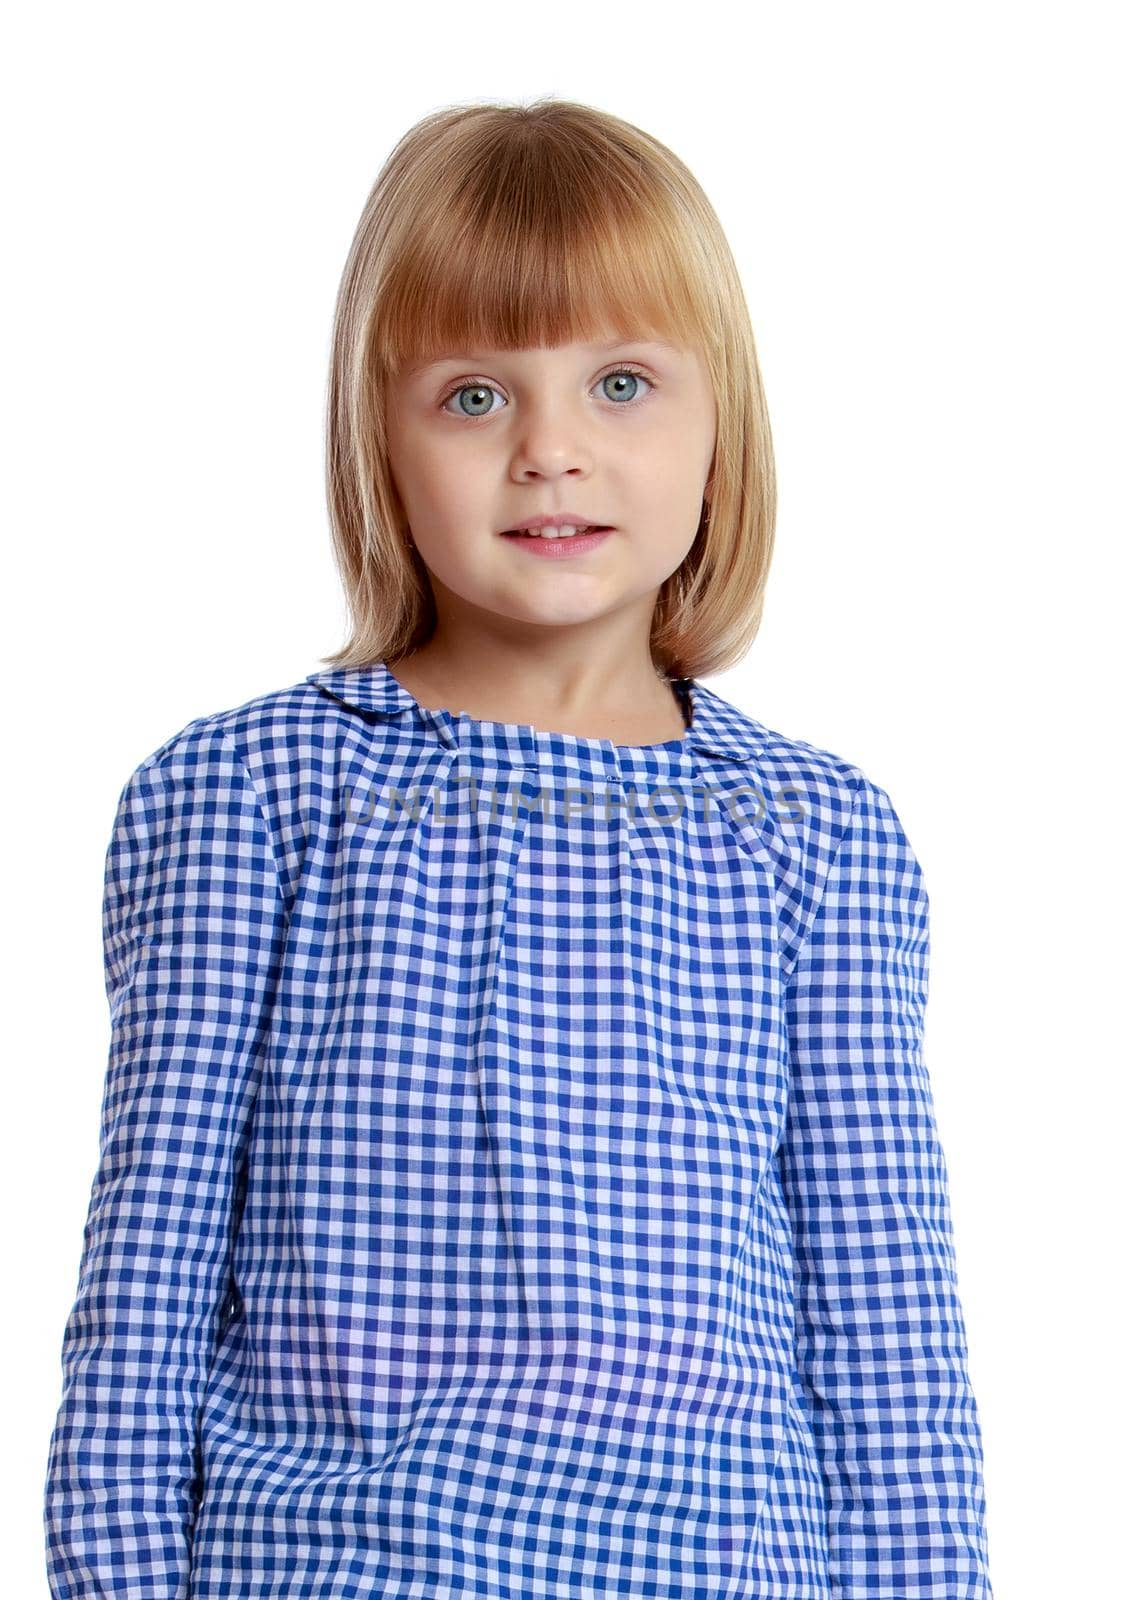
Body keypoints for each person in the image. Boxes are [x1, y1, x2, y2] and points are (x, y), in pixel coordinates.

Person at [43, 98, 994, 1599]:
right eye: (475, 397)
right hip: (343, 1567)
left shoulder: (814, 839)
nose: (551, 452)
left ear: (718, 423)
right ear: (379, 432)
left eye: (621, 384)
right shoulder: (256, 798)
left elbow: (885, 1329)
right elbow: (144, 1288)